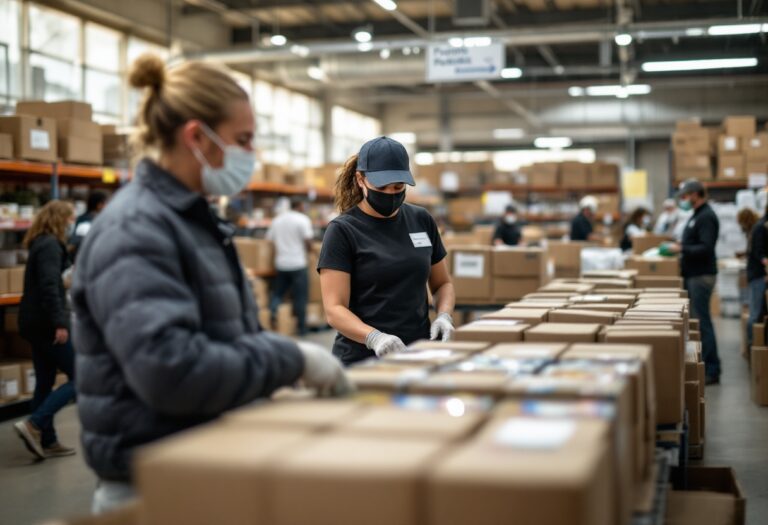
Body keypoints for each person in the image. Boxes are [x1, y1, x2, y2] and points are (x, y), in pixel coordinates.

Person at [72, 54, 350, 514]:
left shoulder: (191, 221)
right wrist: (289, 358)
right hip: (155, 488)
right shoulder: (136, 230)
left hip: (202, 464)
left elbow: (215, 338)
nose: (251, 154)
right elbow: (170, 369)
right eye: (243, 140)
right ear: (197, 137)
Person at [318, 136, 456, 366]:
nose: (390, 194)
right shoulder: (342, 231)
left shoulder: (421, 220)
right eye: (381, 187)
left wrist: (444, 315)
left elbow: (442, 284)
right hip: (361, 359)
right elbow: (334, 309)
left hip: (417, 352)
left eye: (398, 187)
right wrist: (374, 337)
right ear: (361, 179)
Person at [13, 200, 77, 460]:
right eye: (70, 218)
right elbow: (50, 286)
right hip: (46, 323)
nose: (72, 223)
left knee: (45, 381)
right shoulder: (50, 245)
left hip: (34, 323)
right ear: (59, 219)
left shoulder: (41, 243)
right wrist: (60, 322)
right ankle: (35, 423)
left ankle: (46, 440)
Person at [665, 179, 721, 384]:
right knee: (699, 321)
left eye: (686, 196)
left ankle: (712, 369)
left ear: (696, 194)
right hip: (693, 274)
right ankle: (707, 365)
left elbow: (706, 248)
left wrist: (682, 249)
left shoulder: (706, 216)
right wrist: (681, 244)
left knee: (702, 322)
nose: (683, 200)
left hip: (701, 276)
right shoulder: (696, 215)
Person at [267, 199, 314, 335]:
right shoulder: (302, 219)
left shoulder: (277, 220)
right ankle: (302, 329)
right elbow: (308, 242)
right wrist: (312, 252)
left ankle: (272, 317)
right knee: (300, 297)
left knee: (278, 294)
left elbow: (270, 240)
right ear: (299, 205)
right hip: (297, 264)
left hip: (281, 264)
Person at [745, 203, 768, 349]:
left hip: (760, 274)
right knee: (755, 313)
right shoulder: (761, 227)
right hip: (758, 275)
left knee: (759, 311)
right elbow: (760, 253)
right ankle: (751, 347)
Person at [69, 191, 108, 257]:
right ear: (99, 205)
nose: (107, 206)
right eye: (105, 203)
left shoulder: (81, 218)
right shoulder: (92, 221)